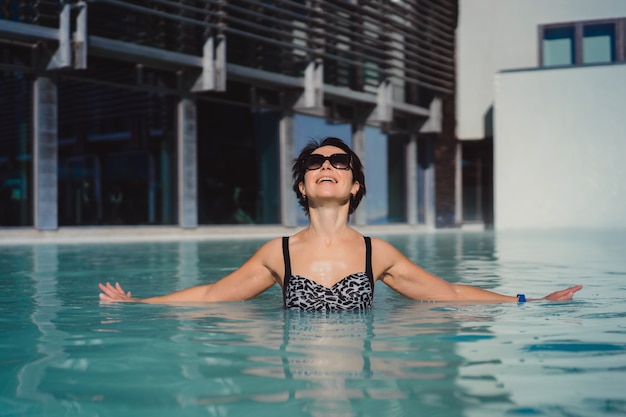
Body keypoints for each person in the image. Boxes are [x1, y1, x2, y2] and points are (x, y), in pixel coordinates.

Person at [99, 137, 582, 309]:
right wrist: (139, 302)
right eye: (315, 163)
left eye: (339, 161)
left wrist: (529, 299)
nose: (326, 165)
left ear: (354, 187)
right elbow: (210, 295)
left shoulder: (379, 253)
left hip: (362, 380)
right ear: (302, 188)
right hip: (294, 375)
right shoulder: (277, 253)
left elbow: (449, 294)